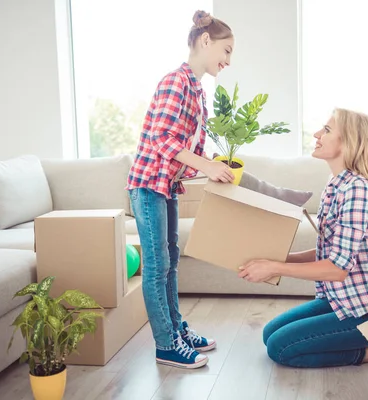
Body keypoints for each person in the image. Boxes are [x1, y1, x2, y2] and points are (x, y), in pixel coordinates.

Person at [238, 108, 368, 368]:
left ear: (348, 141)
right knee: (270, 333)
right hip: (340, 301)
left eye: (326, 130)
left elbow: (337, 269)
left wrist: (276, 268)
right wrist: (280, 258)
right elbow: (332, 253)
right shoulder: (335, 184)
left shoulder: (358, 190)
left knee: (280, 348)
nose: (317, 134)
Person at [126, 10, 235, 369]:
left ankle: (177, 330)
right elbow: (163, 138)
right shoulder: (176, 81)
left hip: (166, 185)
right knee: (157, 266)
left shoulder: (196, 89)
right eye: (227, 50)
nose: (229, 60)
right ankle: (166, 345)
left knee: (170, 264)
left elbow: (185, 150)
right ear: (206, 41)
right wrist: (206, 165)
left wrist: (213, 163)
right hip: (148, 186)